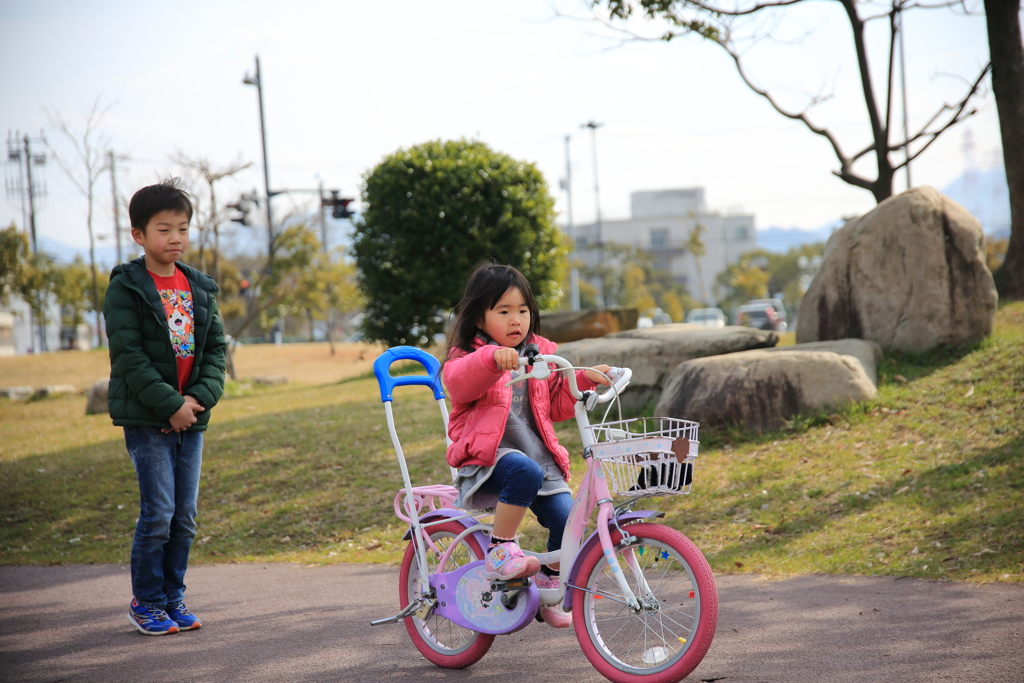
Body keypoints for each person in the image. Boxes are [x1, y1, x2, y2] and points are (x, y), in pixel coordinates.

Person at [442, 263, 611, 629]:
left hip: (538, 459)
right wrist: (490, 358)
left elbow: (556, 401)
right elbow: (459, 382)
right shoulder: (466, 357)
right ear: (479, 318)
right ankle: (500, 548)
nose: (515, 319)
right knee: (523, 469)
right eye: (503, 311)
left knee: (567, 521)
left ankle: (549, 583)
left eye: (522, 310)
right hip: (489, 459)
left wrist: (583, 378)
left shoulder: (540, 355)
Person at [104, 180, 226, 635]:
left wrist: (196, 400)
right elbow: (129, 358)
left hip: (189, 419)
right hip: (148, 419)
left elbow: (215, 351)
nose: (175, 238)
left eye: (183, 229)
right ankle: (147, 602)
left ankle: (174, 599)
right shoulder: (126, 288)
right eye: (163, 229)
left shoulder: (199, 287)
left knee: (184, 517)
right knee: (158, 514)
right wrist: (170, 404)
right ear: (139, 235)